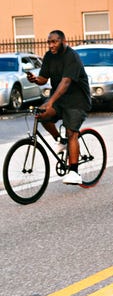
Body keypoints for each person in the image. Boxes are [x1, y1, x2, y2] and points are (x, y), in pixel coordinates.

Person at [25, 30, 91, 185]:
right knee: (41, 115)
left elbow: (65, 83)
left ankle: (74, 172)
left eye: (54, 42)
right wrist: (35, 79)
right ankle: (60, 140)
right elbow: (43, 79)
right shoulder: (49, 56)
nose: (51, 45)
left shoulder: (71, 57)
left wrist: (50, 101)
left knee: (71, 132)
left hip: (77, 101)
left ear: (63, 41)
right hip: (60, 99)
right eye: (49, 42)